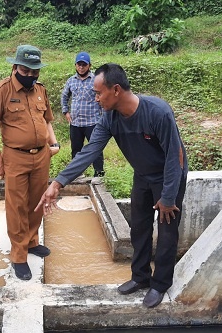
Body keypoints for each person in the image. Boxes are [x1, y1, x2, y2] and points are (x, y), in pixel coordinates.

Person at [36, 63, 187, 308]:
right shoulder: (109, 118)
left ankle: (160, 285)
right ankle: (140, 277)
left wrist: (168, 197)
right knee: (138, 227)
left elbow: (175, 157)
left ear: (115, 90)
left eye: (98, 93)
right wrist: (58, 182)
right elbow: (89, 152)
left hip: (168, 177)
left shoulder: (158, 113)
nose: (95, 99)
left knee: (167, 230)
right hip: (143, 175)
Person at [0, 45, 60, 281]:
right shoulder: (2, 91)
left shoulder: (40, 90)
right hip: (15, 156)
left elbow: (47, 120)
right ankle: (19, 255)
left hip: (42, 155)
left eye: (34, 72)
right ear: (15, 67)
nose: (30, 76)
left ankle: (31, 241)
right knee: (17, 206)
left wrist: (53, 143)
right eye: (25, 71)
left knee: (38, 200)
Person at [61, 51, 104, 177]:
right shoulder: (71, 81)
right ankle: (78, 174)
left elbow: (103, 96)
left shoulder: (96, 80)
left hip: (93, 121)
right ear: (75, 65)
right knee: (76, 149)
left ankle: (99, 173)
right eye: (79, 64)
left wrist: (103, 115)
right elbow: (64, 96)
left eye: (84, 65)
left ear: (89, 65)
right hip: (75, 122)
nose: (81, 67)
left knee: (95, 148)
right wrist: (66, 111)